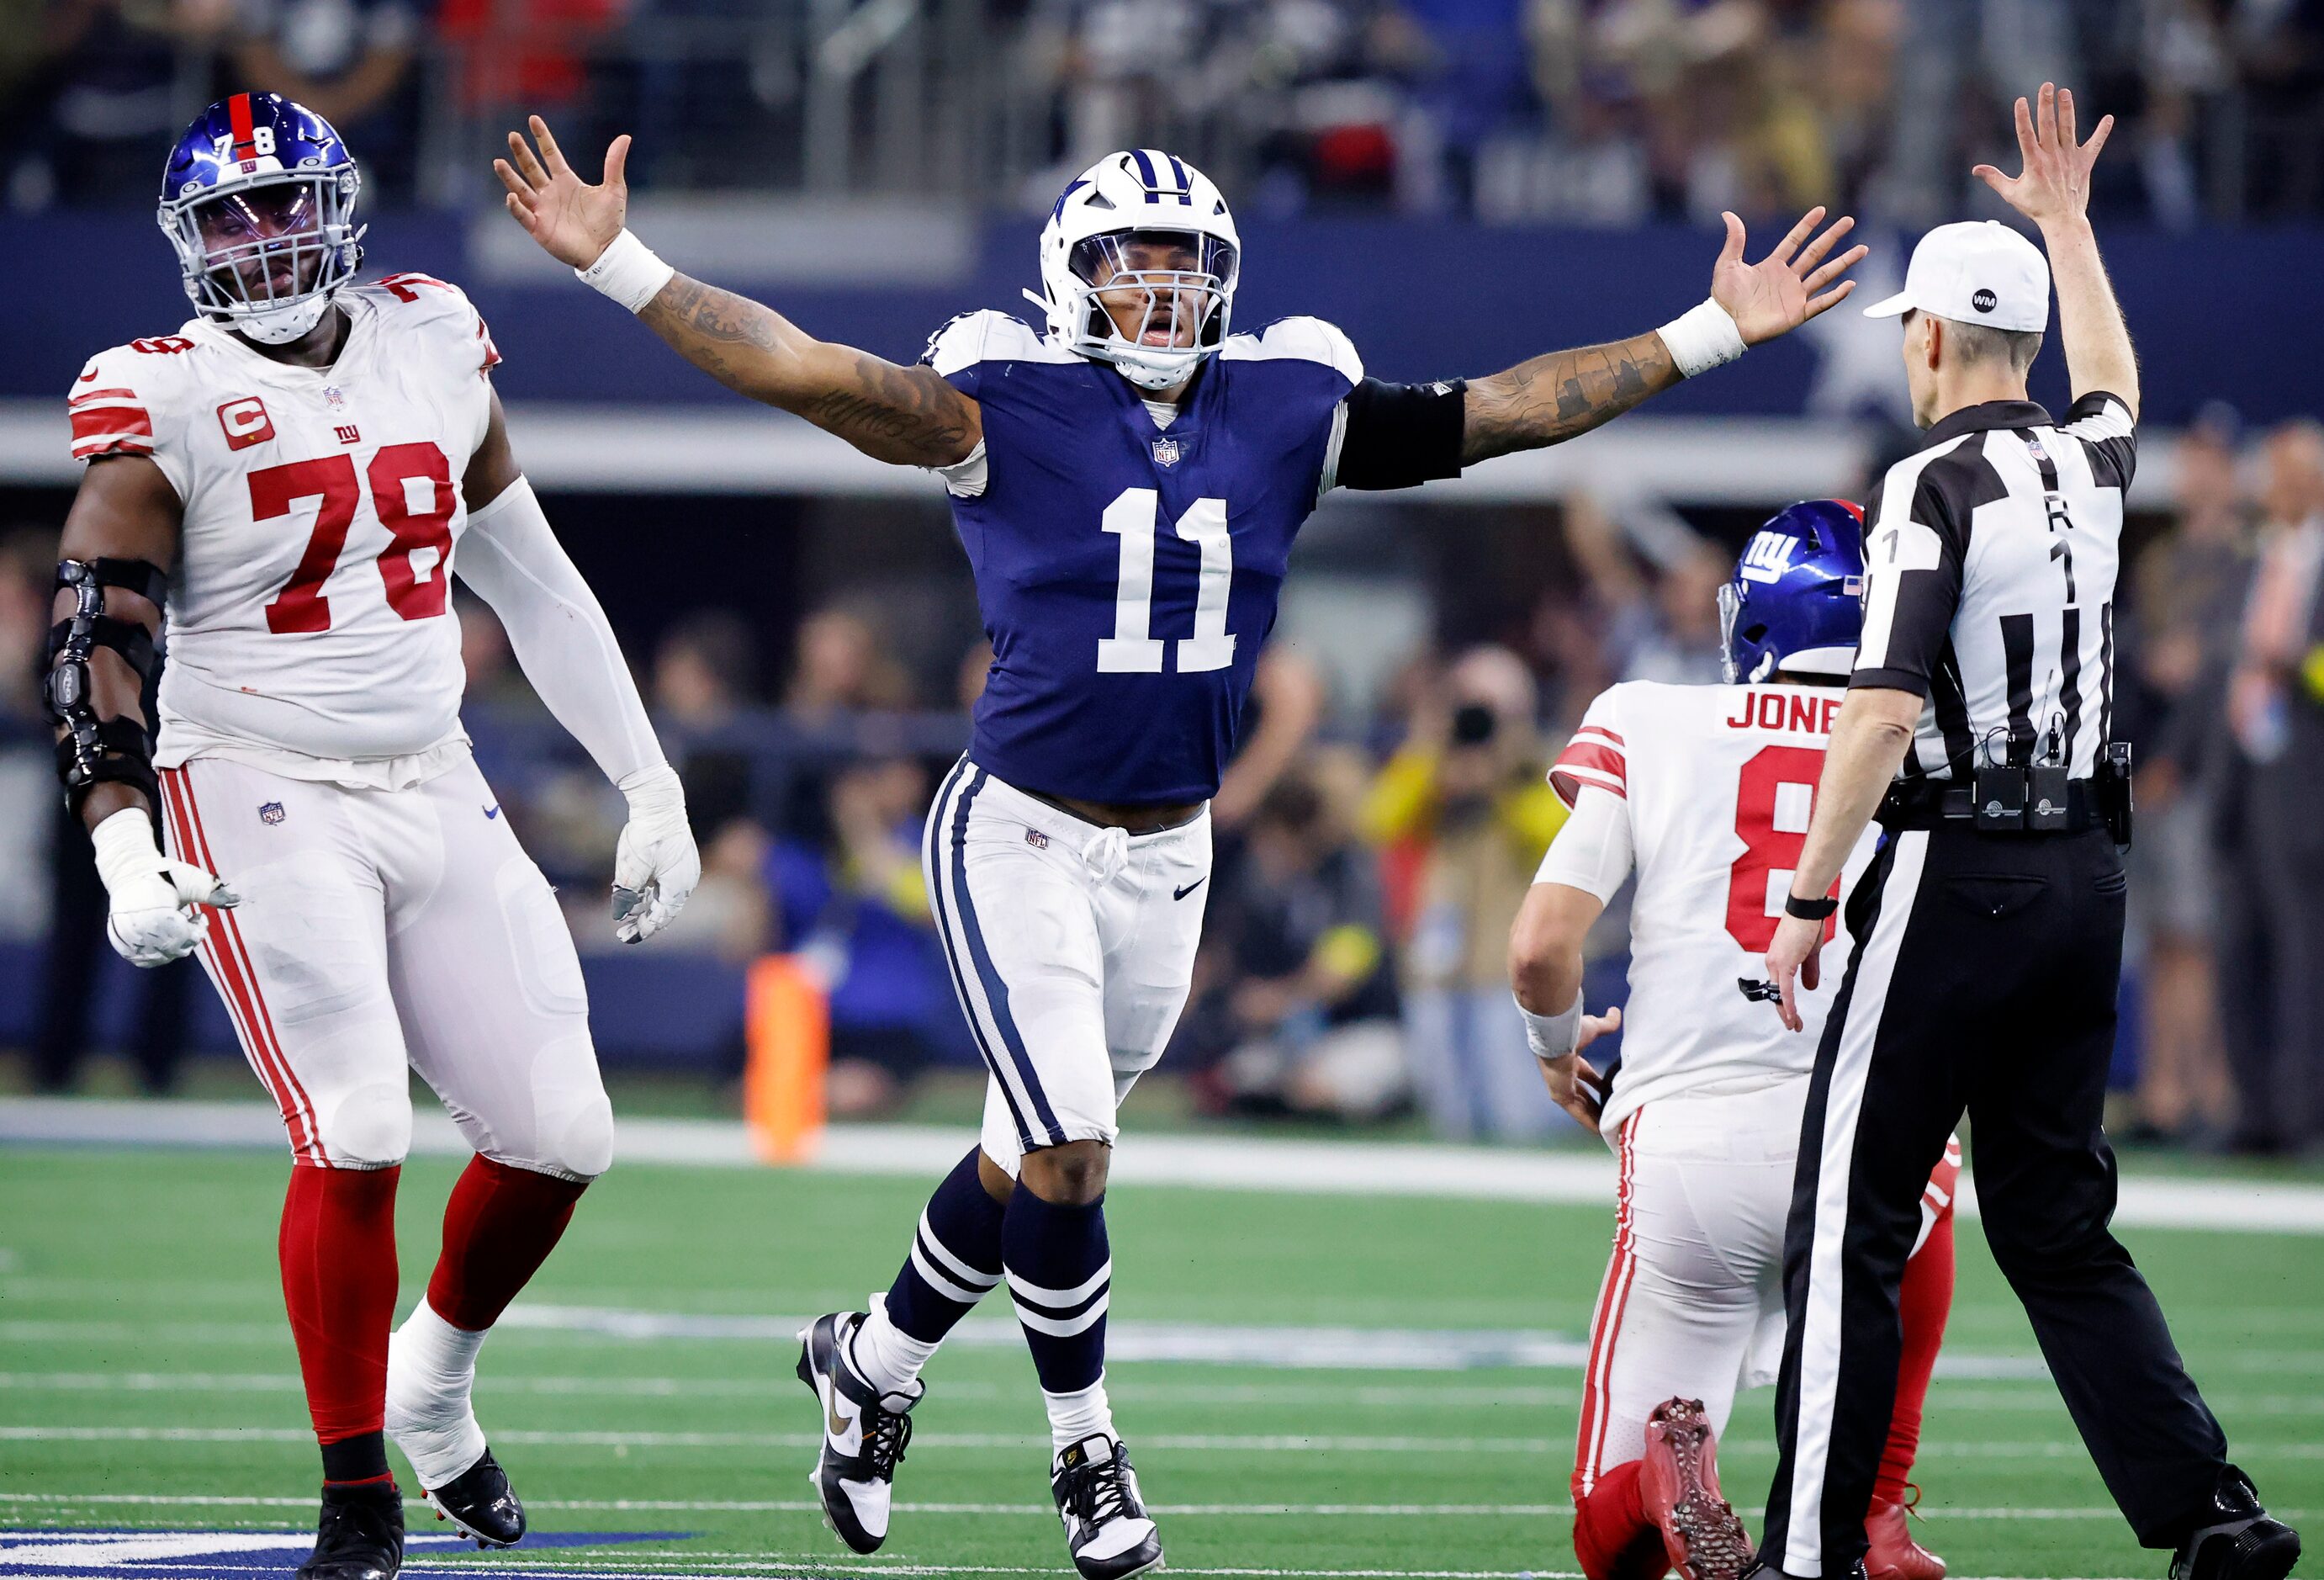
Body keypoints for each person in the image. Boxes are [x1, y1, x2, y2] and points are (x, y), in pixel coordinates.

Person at [497, 115, 1865, 1579]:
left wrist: (1716, 329)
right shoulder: (1000, 397)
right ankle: (1086, 1447)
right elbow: (808, 370)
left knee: (1029, 1151)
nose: (1158, 289)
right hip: (1016, 827)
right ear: (1067, 275)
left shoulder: (1284, 396)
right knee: (1073, 1144)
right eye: (1130, 261)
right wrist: (622, 265)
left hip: (1171, 851)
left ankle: (871, 1359)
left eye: (1183, 262)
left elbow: (1506, 408)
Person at [48, 93, 700, 1580]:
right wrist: (117, 834)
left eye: (288, 208)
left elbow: (531, 581)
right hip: (251, 771)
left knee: (559, 1135)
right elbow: (97, 627)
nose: (267, 242)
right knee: (352, 1126)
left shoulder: (432, 333)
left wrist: (647, 778)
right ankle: (357, 1491)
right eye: (233, 218)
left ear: (340, 214)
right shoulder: (162, 391)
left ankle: (435, 1383)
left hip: (428, 768)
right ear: (187, 246)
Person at [1752, 87, 2300, 1580]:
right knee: (2056, 1222)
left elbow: (1874, 713)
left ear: (1922, 338)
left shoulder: (1928, 479)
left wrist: (1806, 896)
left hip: (1953, 866)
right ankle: (2209, 1510)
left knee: (1849, 1221)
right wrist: (2066, 229)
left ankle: (1806, 1549)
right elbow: (2113, 376)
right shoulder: (2084, 464)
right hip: (2084, 879)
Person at [1510, 503, 1957, 1580]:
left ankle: (1668, 1480)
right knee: (1934, 1175)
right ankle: (1881, 1512)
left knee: (1609, 1546)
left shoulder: (1653, 719)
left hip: (1691, 1152)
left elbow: (1541, 948)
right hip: (1874, 1160)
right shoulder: (1939, 747)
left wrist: (1555, 1048)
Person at [2215, 420, 2324, 1155]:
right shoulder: (2255, 556)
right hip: (2243, 780)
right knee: (2239, 950)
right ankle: (2253, 1111)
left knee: (2303, 957)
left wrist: (2298, 664)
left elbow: (2287, 662)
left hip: (2306, 784)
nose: (2271, 487)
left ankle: (2301, 1115)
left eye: (2286, 473)